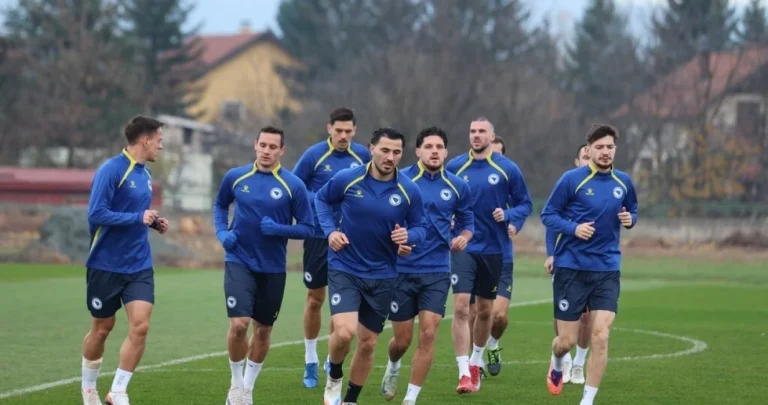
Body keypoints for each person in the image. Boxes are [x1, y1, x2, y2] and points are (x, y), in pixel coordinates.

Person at [315, 128, 428, 405]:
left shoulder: (408, 189)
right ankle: (334, 376)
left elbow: (421, 226)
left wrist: (409, 237)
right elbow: (321, 199)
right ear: (371, 149)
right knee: (344, 333)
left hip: (384, 275)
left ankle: (351, 400)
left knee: (367, 343)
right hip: (345, 267)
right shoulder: (348, 178)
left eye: (397, 152)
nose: (390, 157)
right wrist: (330, 231)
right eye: (385, 150)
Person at [213, 126, 315, 405]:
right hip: (239, 260)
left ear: (281, 151)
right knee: (239, 324)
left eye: (273, 147)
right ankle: (235, 385)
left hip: (272, 267)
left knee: (263, 329)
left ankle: (247, 388)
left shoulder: (293, 185)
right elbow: (220, 206)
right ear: (255, 145)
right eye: (263, 145)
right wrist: (222, 233)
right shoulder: (236, 177)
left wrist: (280, 229)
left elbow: (308, 227)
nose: (267, 151)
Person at [541, 124, 638, 405]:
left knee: (600, 334)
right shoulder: (572, 180)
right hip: (571, 267)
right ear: (589, 150)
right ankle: (558, 361)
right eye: (599, 147)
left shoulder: (624, 182)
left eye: (609, 147)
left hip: (607, 267)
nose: (605, 152)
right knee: (566, 341)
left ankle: (587, 400)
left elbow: (632, 210)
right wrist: (574, 229)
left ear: (615, 149)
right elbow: (548, 215)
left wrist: (630, 220)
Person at [379, 127, 474, 405]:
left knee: (430, 332)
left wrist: (463, 238)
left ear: (446, 152)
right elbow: (381, 219)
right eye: (429, 146)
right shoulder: (400, 180)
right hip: (402, 270)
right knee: (402, 341)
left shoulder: (458, 185)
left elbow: (468, 223)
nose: (435, 151)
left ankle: (410, 398)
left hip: (437, 270)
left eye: (440, 146)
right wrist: (396, 242)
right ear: (417, 151)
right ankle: (393, 365)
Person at [81, 115, 168, 405]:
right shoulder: (111, 170)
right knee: (102, 328)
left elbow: (136, 214)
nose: (161, 146)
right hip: (105, 264)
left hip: (138, 265)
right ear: (145, 140)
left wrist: (152, 222)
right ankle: (89, 389)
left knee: (140, 325)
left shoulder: (145, 174)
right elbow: (96, 213)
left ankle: (118, 390)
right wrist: (137, 217)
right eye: (159, 140)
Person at [445, 117, 532, 393]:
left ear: (492, 137)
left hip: (495, 251)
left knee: (486, 312)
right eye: (472, 131)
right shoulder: (456, 166)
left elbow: (525, 204)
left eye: (482, 131)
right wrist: (447, 219)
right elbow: (441, 198)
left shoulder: (507, 169)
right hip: (464, 247)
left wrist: (508, 215)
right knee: (461, 308)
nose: (476, 135)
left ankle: (477, 359)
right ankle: (464, 372)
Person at [292, 107, 371, 388]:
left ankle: (329, 358)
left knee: (346, 302)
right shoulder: (315, 156)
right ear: (329, 129)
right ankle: (311, 359)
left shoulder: (362, 155)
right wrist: (323, 198)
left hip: (351, 239)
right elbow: (294, 187)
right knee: (315, 298)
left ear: (355, 131)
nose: (343, 136)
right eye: (338, 131)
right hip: (318, 235)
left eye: (348, 131)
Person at [543, 143, 593, 385]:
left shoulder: (607, 185)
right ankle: (564, 356)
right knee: (564, 314)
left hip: (595, 265)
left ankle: (579, 364)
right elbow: (551, 219)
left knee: (588, 317)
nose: (588, 159)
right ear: (577, 160)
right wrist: (551, 253)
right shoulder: (569, 184)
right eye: (584, 156)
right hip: (566, 261)